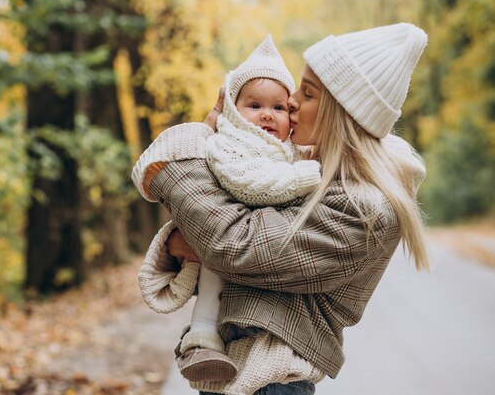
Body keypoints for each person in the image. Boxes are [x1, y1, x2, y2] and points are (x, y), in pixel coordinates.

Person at [132, 22, 430, 395]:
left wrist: (192, 146)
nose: (290, 103)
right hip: (234, 376)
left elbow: (235, 245)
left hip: (269, 384)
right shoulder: (306, 173)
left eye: (306, 94)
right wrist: (188, 238)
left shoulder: (364, 209)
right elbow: (221, 239)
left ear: (342, 111)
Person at [135, 35, 321, 382]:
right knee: (211, 289)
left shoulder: (292, 154)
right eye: (254, 106)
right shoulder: (229, 146)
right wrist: (302, 178)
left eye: (279, 108)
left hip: (261, 286)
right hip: (222, 243)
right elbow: (245, 184)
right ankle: (202, 339)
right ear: (234, 112)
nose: (267, 114)